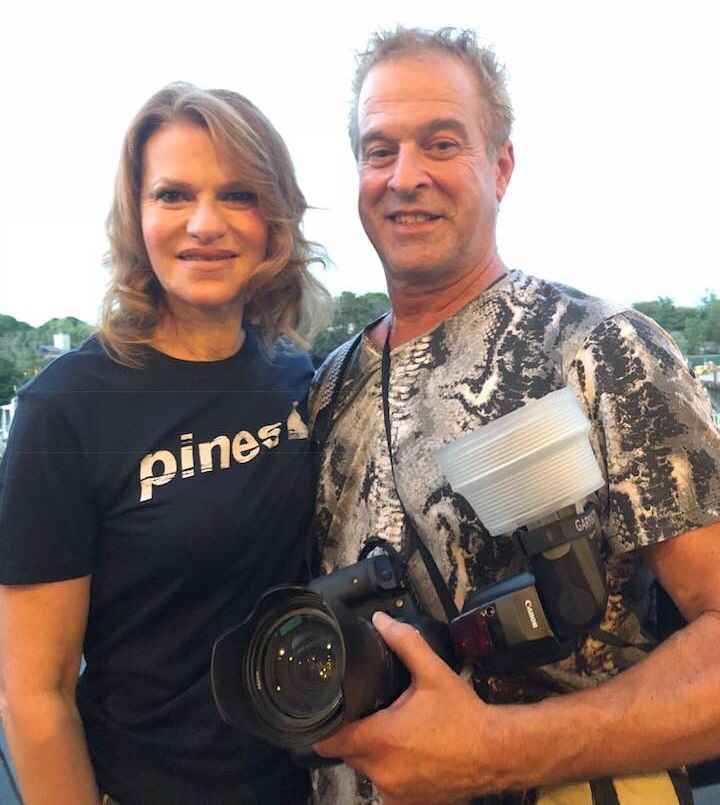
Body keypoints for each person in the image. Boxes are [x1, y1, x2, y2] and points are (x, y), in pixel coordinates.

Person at [308, 27, 720, 805]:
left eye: (441, 143)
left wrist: (499, 750)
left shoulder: (601, 349)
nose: (405, 176)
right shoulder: (327, 390)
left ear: (500, 167)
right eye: (379, 149)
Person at [0, 82, 329, 804]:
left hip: (315, 783)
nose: (205, 224)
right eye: (173, 195)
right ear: (136, 215)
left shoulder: (295, 375)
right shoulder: (65, 411)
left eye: (238, 195)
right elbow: (33, 694)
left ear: (275, 217)